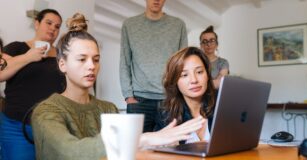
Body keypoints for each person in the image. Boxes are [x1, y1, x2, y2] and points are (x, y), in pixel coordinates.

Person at [31, 13, 204, 160]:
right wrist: (142, 139)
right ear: (62, 64)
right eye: (82, 59)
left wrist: (163, 145)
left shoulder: (108, 108)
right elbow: (70, 152)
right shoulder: (46, 112)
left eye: (96, 59)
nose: (91, 66)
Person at [0, 9, 65, 160]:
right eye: (48, 23)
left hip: (52, 127)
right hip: (15, 126)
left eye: (57, 26)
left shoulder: (63, 56)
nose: (53, 28)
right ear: (36, 23)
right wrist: (28, 57)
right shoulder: (16, 48)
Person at [119, 0, 188, 132]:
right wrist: (128, 96)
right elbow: (125, 61)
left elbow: (183, 64)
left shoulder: (178, 25)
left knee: (169, 149)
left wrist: (179, 96)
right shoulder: (129, 25)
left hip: (169, 99)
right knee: (137, 149)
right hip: (138, 102)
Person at [154, 47, 216, 144]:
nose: (194, 80)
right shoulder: (165, 114)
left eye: (199, 72)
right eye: (184, 75)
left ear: (207, 75)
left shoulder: (223, 106)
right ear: (175, 81)